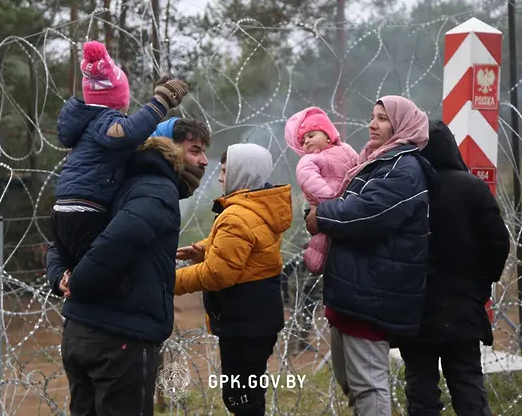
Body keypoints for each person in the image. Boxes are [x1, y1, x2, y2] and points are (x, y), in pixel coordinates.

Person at [46, 124, 211, 416]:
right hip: (120, 340)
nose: (204, 161)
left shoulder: (114, 182)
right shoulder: (156, 189)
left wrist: (60, 277)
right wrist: (78, 284)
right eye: (195, 150)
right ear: (168, 148)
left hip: (81, 333)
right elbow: (119, 240)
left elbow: (63, 236)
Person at [305, 95, 434, 415]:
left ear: (402, 125)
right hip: (356, 290)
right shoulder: (376, 161)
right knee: (351, 380)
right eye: (372, 116)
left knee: (368, 385)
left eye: (382, 118)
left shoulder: (402, 168)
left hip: (374, 292)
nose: (372, 124)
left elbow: (363, 214)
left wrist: (321, 215)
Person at [397, 119, 510, 416]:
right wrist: (483, 281)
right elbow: (498, 241)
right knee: (468, 385)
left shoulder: (406, 188)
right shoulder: (472, 187)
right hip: (462, 303)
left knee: (421, 388)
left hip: (415, 306)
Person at [174, 144, 292, 416]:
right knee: (249, 395)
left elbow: (217, 274)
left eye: (226, 171)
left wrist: (169, 281)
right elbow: (250, 245)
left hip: (243, 323)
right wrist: (205, 248)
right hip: (257, 320)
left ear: (242, 173)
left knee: (240, 399)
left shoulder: (237, 215)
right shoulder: (259, 206)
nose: (220, 177)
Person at [51, 40, 188, 274]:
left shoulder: (89, 126)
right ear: (118, 99)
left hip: (64, 211)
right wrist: (161, 101)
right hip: (86, 211)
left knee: (79, 271)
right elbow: (129, 132)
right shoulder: (105, 121)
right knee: (105, 277)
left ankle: (68, 281)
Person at [284, 106, 359, 273]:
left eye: (311, 135)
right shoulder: (309, 160)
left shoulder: (345, 149)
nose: (307, 141)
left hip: (349, 203)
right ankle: (317, 263)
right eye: (303, 141)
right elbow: (311, 182)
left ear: (328, 136)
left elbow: (358, 167)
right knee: (324, 243)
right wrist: (331, 201)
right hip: (328, 206)